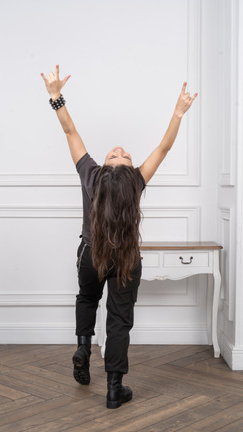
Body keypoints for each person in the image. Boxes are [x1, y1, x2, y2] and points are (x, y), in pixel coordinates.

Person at [41, 65, 198, 409]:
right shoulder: (136, 180)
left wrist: (55, 95)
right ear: (128, 170)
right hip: (126, 258)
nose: (118, 148)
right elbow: (164, 149)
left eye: (118, 153)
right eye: (119, 152)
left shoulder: (92, 176)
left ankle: (83, 346)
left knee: (87, 298)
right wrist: (178, 113)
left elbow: (70, 132)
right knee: (119, 321)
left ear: (112, 167)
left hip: (90, 253)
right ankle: (114, 388)